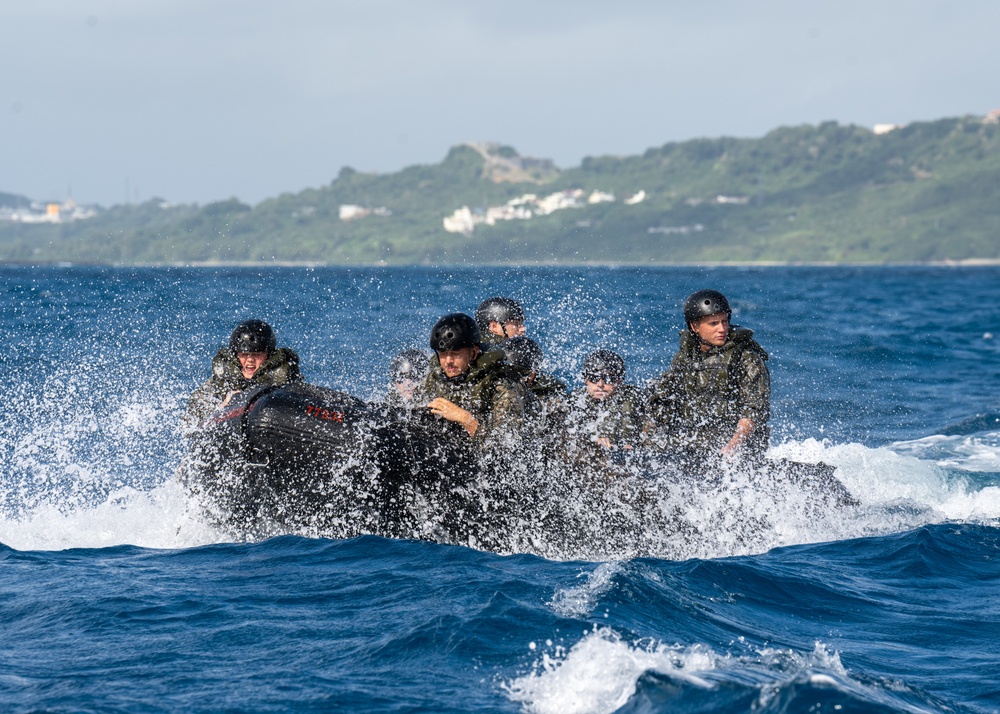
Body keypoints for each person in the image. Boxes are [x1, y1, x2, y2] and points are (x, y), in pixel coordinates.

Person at [648, 289, 770, 462]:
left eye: (724, 322)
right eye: (713, 324)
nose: (722, 329)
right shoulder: (685, 357)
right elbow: (664, 401)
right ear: (694, 326)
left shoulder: (746, 358)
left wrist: (733, 445)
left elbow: (753, 410)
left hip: (737, 447)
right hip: (695, 442)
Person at [416, 312, 528, 445]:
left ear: (474, 353)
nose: (448, 361)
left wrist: (465, 419)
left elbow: (504, 450)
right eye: (443, 354)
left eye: (456, 354)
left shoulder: (500, 385)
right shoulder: (435, 378)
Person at [183, 319, 301, 430]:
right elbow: (190, 422)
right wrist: (224, 405)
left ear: (268, 355)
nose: (250, 360)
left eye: (257, 354)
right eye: (244, 355)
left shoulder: (283, 380)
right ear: (236, 355)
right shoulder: (222, 381)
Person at [564, 349, 646, 450]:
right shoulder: (575, 401)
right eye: (594, 377)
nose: (600, 384)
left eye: (608, 378)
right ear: (585, 379)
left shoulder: (634, 399)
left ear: (619, 380)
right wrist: (592, 442)